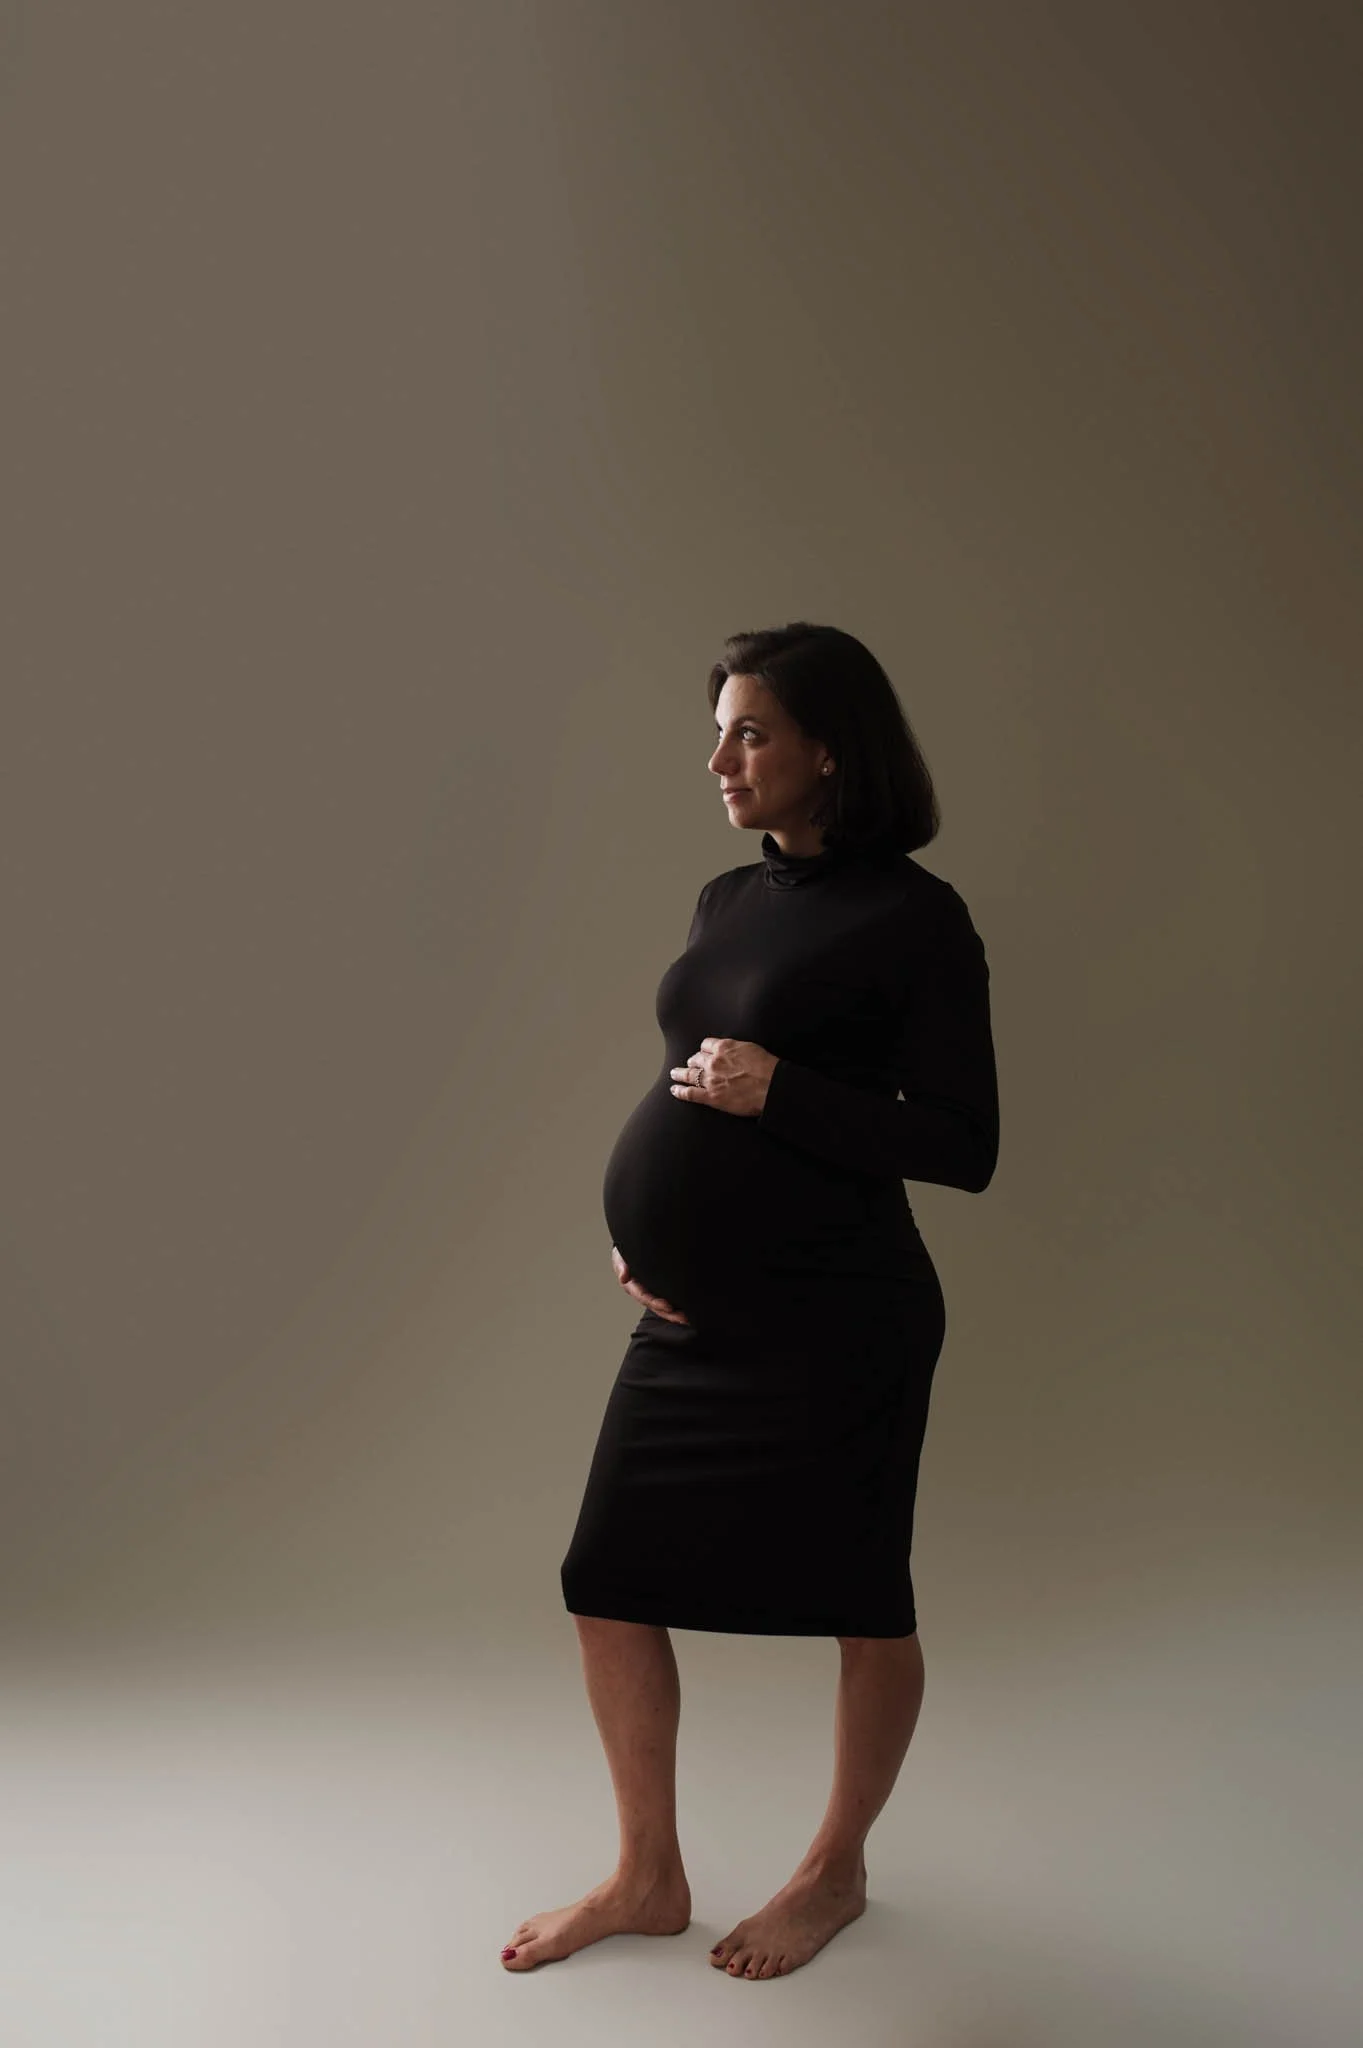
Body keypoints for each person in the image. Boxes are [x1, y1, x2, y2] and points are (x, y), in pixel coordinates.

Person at [501, 622, 1000, 1980]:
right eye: (717, 731)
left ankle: (831, 1870)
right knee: (605, 1579)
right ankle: (647, 1875)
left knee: (860, 1600)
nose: (721, 758)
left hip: (840, 1320)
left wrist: (785, 1090)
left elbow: (964, 1143)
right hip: (690, 1319)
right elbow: (686, 1085)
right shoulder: (728, 898)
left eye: (752, 733)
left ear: (829, 748)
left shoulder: (915, 917)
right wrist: (646, 1227)